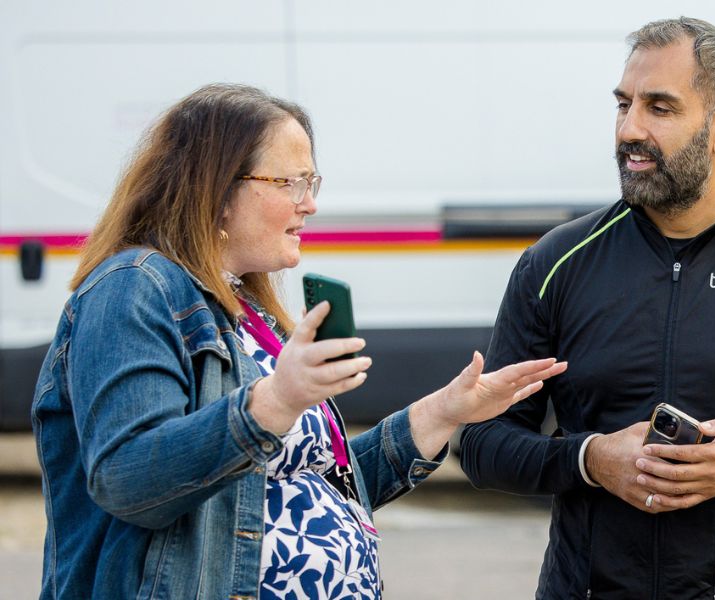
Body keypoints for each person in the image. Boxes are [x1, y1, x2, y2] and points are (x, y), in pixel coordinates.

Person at [31, 83, 566, 599]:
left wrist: (445, 412)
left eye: (313, 182)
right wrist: (276, 401)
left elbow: (322, 486)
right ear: (216, 190)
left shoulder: (244, 306)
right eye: (291, 183)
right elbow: (129, 480)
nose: (309, 204)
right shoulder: (134, 288)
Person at [460, 18, 715, 598]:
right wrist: (589, 459)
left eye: (659, 108)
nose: (629, 129)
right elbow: (482, 444)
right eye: (623, 104)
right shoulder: (556, 262)